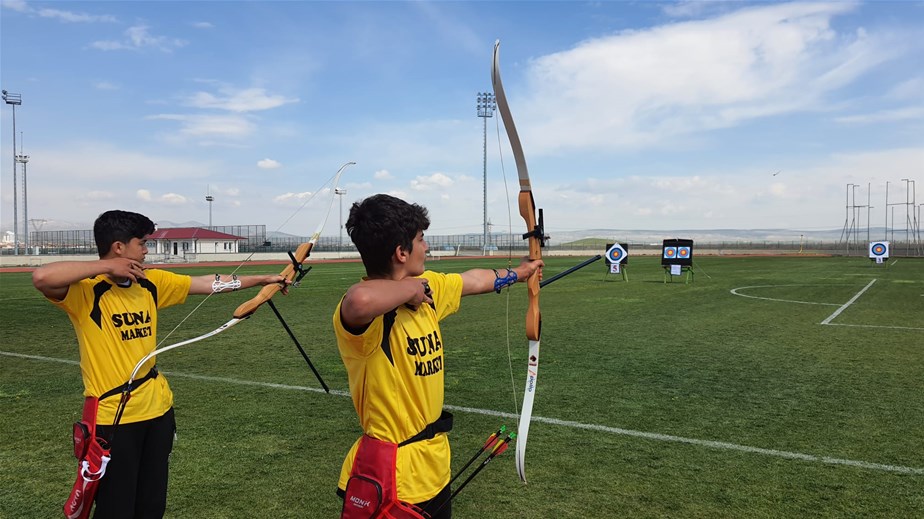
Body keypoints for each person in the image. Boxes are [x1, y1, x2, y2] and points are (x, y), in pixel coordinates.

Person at [32, 210, 290, 519]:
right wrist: (106, 267)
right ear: (118, 247)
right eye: (141, 243)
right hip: (113, 420)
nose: (146, 250)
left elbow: (210, 283)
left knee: (151, 506)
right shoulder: (86, 291)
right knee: (116, 508)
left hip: (158, 412)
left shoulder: (151, 281)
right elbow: (42, 277)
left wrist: (264, 279)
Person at [333, 194, 543, 519]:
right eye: (421, 239)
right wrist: (411, 291)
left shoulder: (428, 285)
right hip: (391, 476)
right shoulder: (370, 316)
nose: (427, 247)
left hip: (432, 466)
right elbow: (359, 300)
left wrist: (521, 271)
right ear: (401, 252)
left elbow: (473, 280)